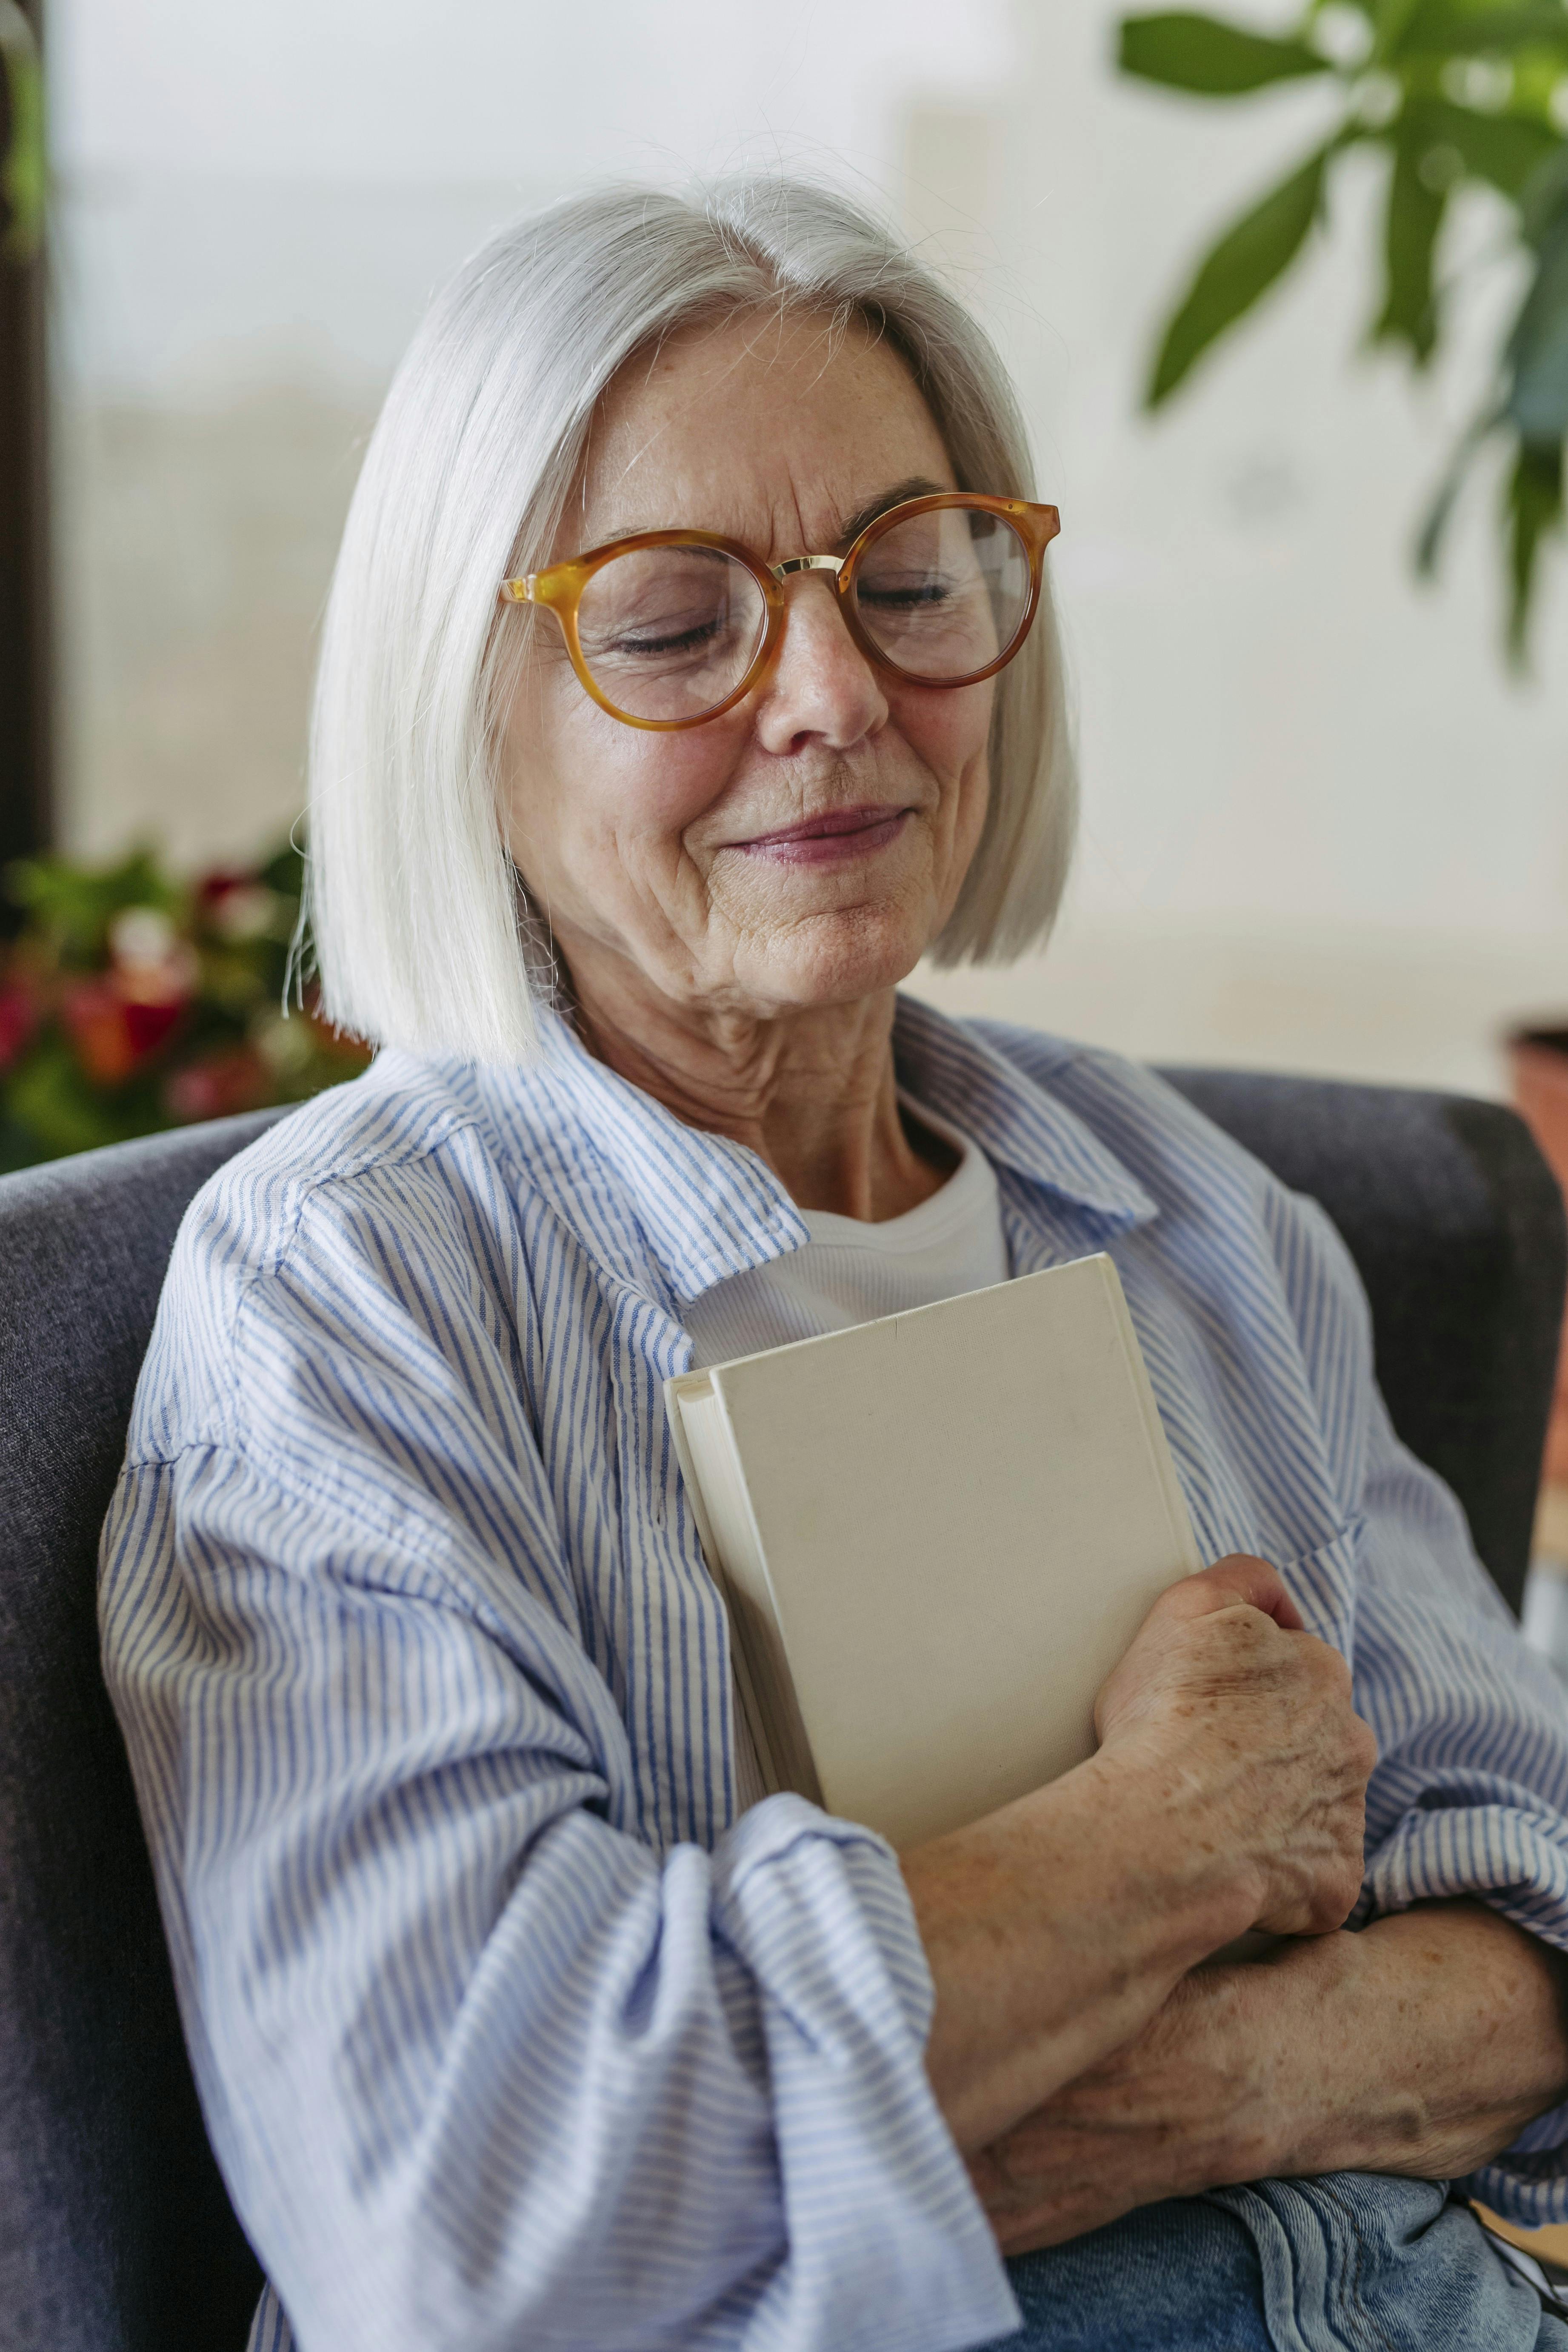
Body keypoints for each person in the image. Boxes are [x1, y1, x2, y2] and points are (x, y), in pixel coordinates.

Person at [100, 177, 1568, 2352]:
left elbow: (1530, 1929)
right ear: (462, 702)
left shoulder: (1192, 1206)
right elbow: (480, 2216)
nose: (833, 693)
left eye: (905, 579)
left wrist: (1128, 2098)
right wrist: (1167, 1844)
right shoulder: (349, 1297)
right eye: (678, 622)